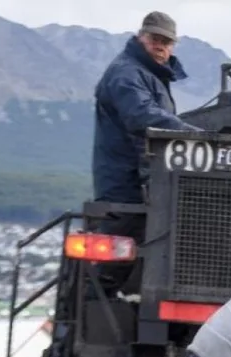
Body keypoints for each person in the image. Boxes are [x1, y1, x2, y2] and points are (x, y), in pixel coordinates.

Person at [91, 11, 202, 238]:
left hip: (143, 184)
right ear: (141, 37)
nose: (160, 46)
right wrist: (197, 136)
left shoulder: (149, 74)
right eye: (155, 39)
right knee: (119, 265)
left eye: (167, 42)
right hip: (125, 187)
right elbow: (142, 116)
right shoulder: (126, 73)